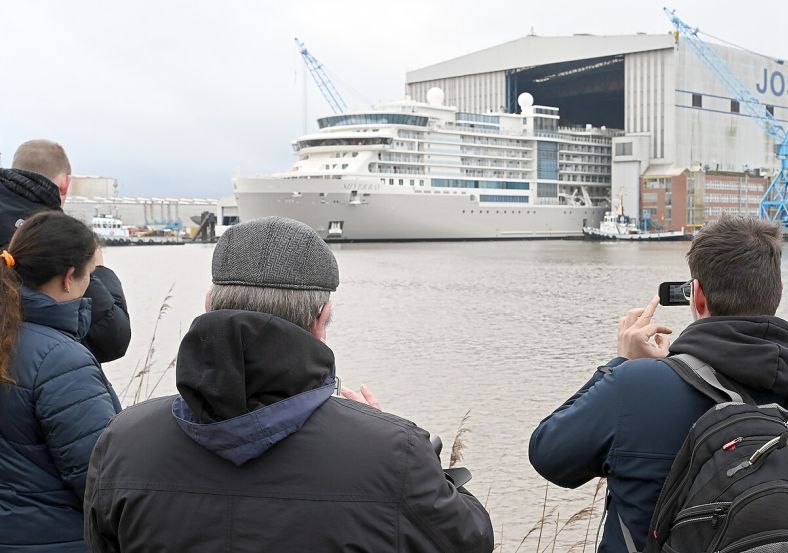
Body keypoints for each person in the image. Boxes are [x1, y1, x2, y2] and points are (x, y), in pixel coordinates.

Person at [84, 217, 494, 553]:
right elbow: (471, 541)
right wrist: (395, 445)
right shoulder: (393, 452)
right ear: (322, 317)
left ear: (209, 304)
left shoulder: (123, 440)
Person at [528, 215, 788, 553]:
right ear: (778, 292)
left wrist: (623, 363)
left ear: (697, 297)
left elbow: (548, 454)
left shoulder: (636, 387)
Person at [0, 211, 123, 552]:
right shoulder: (60, 360)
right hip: (56, 539)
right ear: (70, 277)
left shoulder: (14, 339)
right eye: (90, 277)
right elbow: (99, 478)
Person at [0, 139, 131, 363]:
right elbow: (113, 338)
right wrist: (98, 269)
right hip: (41, 369)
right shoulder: (57, 236)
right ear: (65, 183)